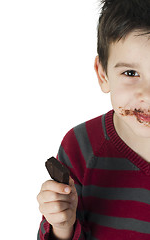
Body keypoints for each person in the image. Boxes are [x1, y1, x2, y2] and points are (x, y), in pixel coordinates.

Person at [37, 0, 150, 239]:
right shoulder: (82, 146)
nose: (147, 94)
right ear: (103, 75)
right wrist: (62, 225)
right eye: (130, 73)